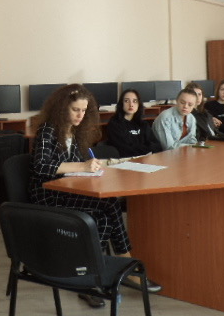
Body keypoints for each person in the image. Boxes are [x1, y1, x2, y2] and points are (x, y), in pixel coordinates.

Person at [28, 84, 161, 308]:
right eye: (75, 110)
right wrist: (82, 166)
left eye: (83, 110)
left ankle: (96, 276)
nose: (80, 115)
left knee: (105, 213)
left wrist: (90, 167)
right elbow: (41, 167)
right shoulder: (48, 130)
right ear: (62, 108)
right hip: (48, 193)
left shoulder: (75, 131)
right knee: (107, 207)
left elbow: (72, 167)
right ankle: (118, 270)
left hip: (67, 188)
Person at [106, 88, 162, 157]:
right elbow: (125, 150)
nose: (131, 104)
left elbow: (157, 146)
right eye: (126, 101)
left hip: (146, 159)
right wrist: (147, 149)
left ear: (139, 104)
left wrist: (142, 149)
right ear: (121, 103)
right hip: (126, 161)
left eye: (135, 101)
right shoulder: (115, 124)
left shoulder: (143, 124)